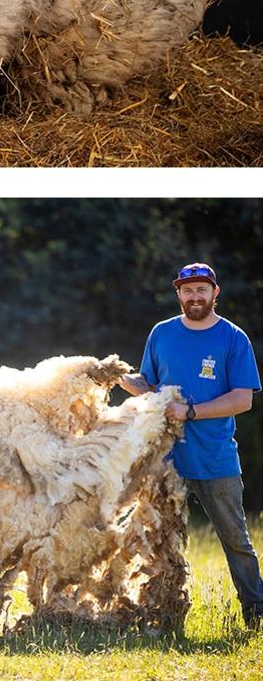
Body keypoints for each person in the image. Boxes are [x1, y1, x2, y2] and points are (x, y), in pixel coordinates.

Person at [121, 262, 263, 628]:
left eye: (202, 289)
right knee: (160, 541)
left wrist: (192, 411)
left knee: (236, 541)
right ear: (178, 294)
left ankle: (256, 612)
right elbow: (153, 387)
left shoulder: (233, 338)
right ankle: (162, 615)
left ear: (215, 293)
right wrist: (121, 379)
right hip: (167, 462)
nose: (194, 296)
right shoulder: (162, 333)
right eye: (187, 290)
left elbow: (242, 399)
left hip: (215, 459)